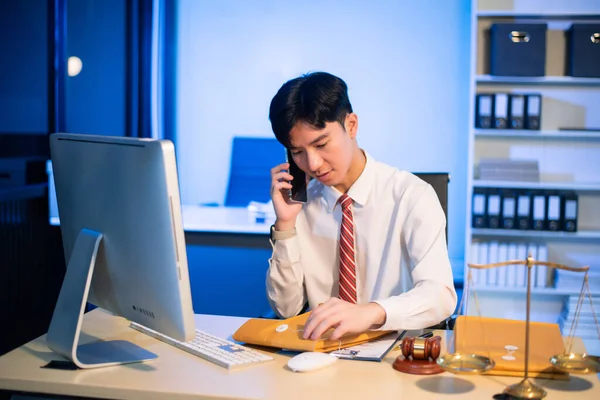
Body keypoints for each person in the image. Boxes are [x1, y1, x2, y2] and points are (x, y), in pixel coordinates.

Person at [266, 71, 457, 341]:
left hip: (395, 352)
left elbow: (440, 295)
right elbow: (286, 309)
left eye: (321, 144)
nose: (313, 164)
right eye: (297, 152)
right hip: (322, 353)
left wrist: (371, 312)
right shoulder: (300, 205)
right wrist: (285, 225)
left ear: (351, 125)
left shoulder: (411, 196)